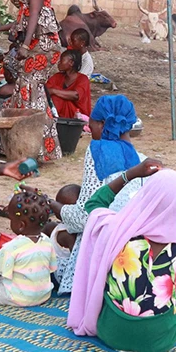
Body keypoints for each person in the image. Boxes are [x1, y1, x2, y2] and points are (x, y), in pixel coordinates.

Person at [67, 167, 176, 352]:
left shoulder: (116, 232)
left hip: (111, 332)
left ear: (145, 197)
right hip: (161, 341)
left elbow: (93, 205)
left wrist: (129, 175)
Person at [51, 95, 144, 295]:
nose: (89, 126)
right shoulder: (142, 162)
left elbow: (88, 216)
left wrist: (55, 207)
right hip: (132, 257)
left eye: (92, 120)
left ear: (102, 124)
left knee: (52, 234)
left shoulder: (98, 151)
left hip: (104, 253)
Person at [2, 0, 63, 161]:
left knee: (31, 91)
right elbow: (26, 16)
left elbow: (36, 12)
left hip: (42, 42)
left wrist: (26, 46)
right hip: (34, 39)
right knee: (27, 91)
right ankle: (33, 149)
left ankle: (39, 151)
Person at [45, 50, 91, 120]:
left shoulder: (83, 79)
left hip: (76, 116)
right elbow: (46, 89)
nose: (59, 63)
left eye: (62, 60)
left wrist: (54, 91)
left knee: (56, 98)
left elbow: (76, 95)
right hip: (58, 114)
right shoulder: (57, 77)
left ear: (71, 63)